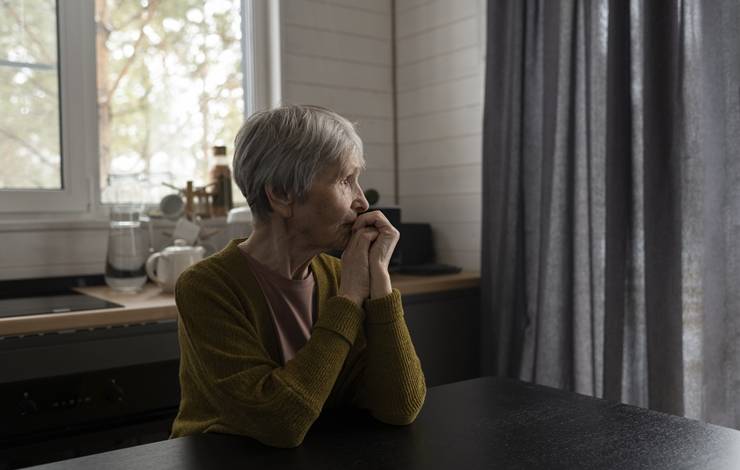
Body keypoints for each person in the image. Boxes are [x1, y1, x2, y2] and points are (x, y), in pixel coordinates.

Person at [170, 104, 426, 447]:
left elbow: (400, 407)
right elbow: (278, 422)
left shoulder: (339, 275)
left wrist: (379, 278)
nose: (362, 202)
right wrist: (349, 300)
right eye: (345, 181)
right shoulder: (206, 287)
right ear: (281, 194)